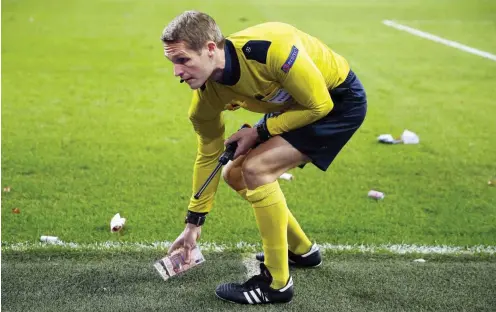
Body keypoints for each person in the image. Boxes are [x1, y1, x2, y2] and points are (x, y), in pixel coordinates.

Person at [162, 11, 367, 305]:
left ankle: (277, 284)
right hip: (294, 106)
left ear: (210, 49)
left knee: (257, 168)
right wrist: (193, 224)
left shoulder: (271, 50)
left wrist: (260, 131)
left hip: (336, 102)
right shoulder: (206, 99)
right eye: (172, 62)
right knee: (233, 173)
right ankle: (301, 250)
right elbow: (209, 154)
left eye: (183, 60)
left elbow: (319, 104)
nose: (176, 72)